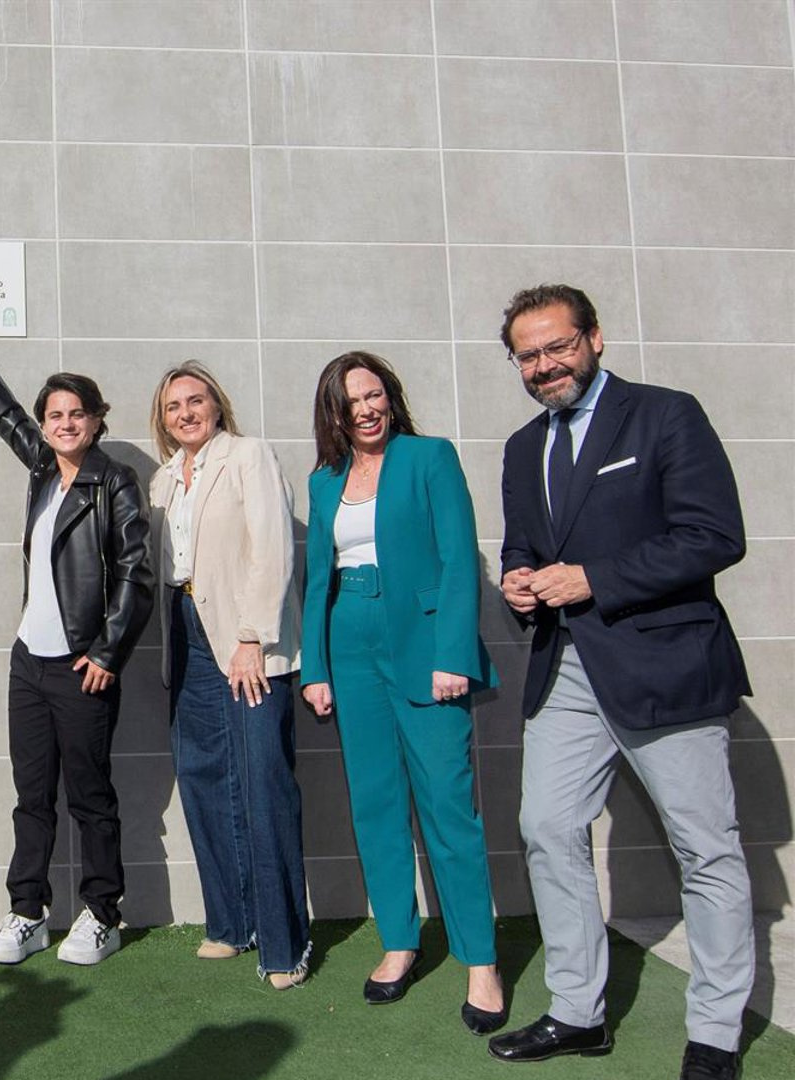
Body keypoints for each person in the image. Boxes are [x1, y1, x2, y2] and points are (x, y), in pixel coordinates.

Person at [487, 285, 752, 1080]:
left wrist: (593, 578)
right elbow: (523, 545)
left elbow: (714, 535)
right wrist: (518, 579)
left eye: (556, 346)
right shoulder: (522, 445)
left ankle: (715, 1032)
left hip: (662, 666)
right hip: (564, 670)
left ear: (594, 338)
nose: (544, 366)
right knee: (546, 828)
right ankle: (578, 1012)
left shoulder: (666, 414)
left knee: (705, 850)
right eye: (527, 355)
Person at [0, 311, 154, 967]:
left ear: (95, 419)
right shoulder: (41, 469)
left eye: (75, 413)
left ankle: (103, 915)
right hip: (28, 665)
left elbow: (138, 575)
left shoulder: (113, 482)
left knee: (90, 798)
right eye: (54, 414)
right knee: (32, 799)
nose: (63, 423)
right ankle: (28, 912)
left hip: (81, 669)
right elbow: (6, 416)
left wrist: (109, 653)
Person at [300, 352, 505, 1031]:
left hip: (421, 645)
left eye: (374, 392)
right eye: (351, 399)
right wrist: (317, 668)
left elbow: (456, 560)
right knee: (377, 805)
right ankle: (399, 942)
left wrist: (452, 653)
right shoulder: (325, 479)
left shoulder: (429, 457)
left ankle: (480, 960)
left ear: (390, 397)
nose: (365, 407)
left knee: (448, 806)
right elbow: (317, 579)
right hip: (349, 641)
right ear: (333, 412)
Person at [148, 362, 310, 989]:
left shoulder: (247, 456)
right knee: (202, 775)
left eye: (195, 400)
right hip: (185, 632)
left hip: (245, 638)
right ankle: (231, 924)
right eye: (172, 407)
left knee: (263, 783)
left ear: (217, 404)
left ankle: (285, 943)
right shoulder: (165, 479)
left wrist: (252, 636)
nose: (185, 413)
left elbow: (273, 547)